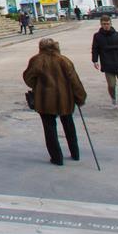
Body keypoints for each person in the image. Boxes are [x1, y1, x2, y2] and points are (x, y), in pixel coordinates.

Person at [23, 38, 87, 166]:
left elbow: (28, 78)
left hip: (45, 100)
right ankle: (75, 153)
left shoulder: (37, 60)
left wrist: (39, 85)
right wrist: (80, 97)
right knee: (69, 125)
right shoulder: (64, 60)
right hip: (66, 99)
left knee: (49, 129)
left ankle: (57, 157)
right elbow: (75, 80)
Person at [91, 15, 118, 113]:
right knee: (111, 85)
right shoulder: (97, 36)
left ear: (111, 23)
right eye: (104, 24)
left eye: (107, 24)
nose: (106, 26)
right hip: (107, 64)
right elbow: (95, 49)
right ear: (101, 24)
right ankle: (113, 99)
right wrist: (95, 60)